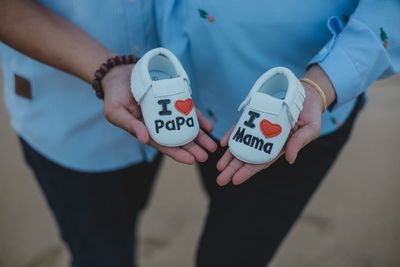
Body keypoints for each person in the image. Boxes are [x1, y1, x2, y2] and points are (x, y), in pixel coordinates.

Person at [150, 0, 400, 266]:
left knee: (228, 252)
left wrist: (319, 87)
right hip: (193, 94)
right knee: (225, 204)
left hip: (298, 114)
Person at [0, 1, 216, 266]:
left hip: (155, 117)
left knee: (129, 215)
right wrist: (109, 70)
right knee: (100, 254)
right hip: (66, 127)